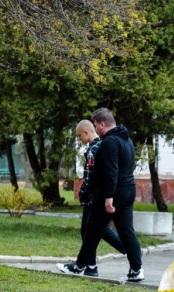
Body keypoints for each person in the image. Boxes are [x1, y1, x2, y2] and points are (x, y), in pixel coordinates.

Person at [58, 109, 144, 282]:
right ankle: (136, 270)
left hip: (112, 192)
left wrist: (109, 196)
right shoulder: (126, 140)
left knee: (93, 229)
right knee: (126, 230)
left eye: (96, 125)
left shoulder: (110, 142)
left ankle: (80, 266)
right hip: (128, 189)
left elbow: (111, 171)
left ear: (103, 124)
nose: (96, 129)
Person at [74, 119, 127, 276]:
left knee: (89, 231)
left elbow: (91, 177)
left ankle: (91, 267)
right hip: (99, 196)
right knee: (97, 230)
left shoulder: (94, 149)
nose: (79, 140)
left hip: (93, 197)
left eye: (79, 136)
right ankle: (91, 266)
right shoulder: (100, 146)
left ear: (86, 132)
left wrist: (83, 192)